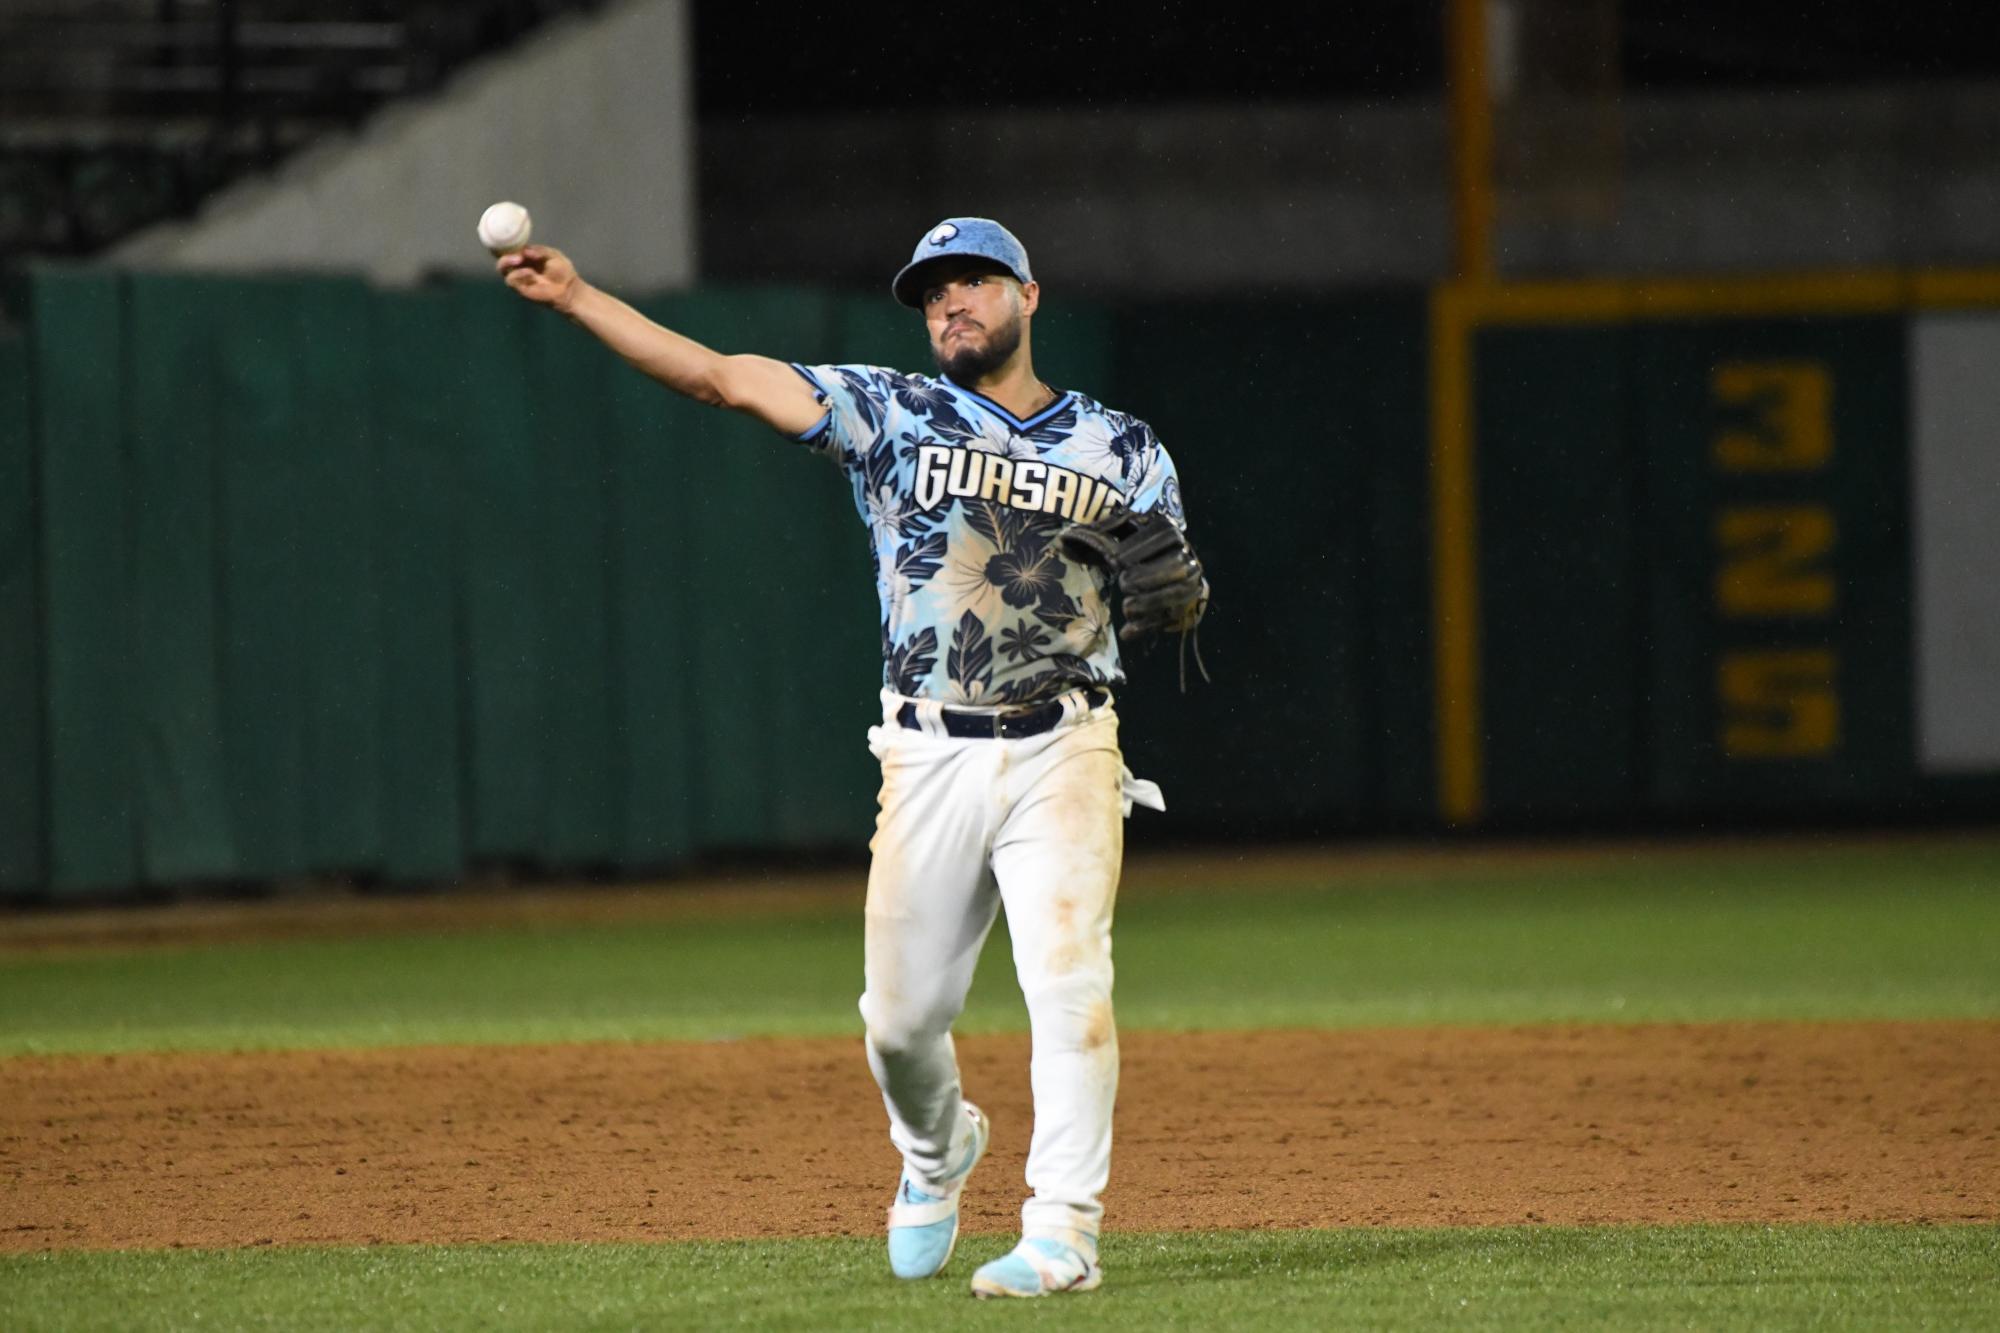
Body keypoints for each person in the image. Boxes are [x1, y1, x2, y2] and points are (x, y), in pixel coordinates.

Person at [498, 216, 1206, 1298]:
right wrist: (580, 296)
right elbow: (719, 378)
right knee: (897, 1025)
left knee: (1072, 987)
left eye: (969, 282)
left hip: (1066, 740)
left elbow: (1173, 583)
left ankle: (1063, 1231)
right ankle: (936, 1153)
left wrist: (1183, 592)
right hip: (925, 752)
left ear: (1026, 292)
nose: (948, 305)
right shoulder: (892, 410)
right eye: (931, 294)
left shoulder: (1120, 446)